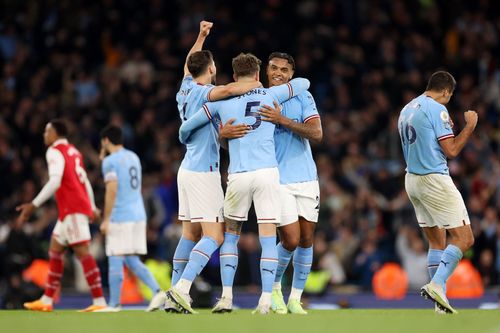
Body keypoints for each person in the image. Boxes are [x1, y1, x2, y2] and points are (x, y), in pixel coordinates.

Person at [177, 53, 310, 314]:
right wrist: (266, 89)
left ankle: (225, 297)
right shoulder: (272, 96)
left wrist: (219, 133)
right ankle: (264, 300)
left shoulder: (222, 101)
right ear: (258, 75)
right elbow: (304, 83)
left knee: (230, 235)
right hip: (267, 175)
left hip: (238, 175)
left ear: (235, 76)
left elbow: (184, 131)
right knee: (268, 237)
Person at [167, 21, 260, 313]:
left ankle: (172, 292)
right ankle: (182, 290)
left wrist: (201, 36)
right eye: (213, 64)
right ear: (209, 69)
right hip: (203, 173)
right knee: (215, 236)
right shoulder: (203, 92)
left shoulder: (184, 87)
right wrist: (256, 83)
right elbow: (231, 90)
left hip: (186, 170)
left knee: (190, 234)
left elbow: (188, 63)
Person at [398, 71, 477, 314]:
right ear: (445, 91)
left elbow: (423, 140)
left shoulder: (407, 109)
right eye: (449, 97)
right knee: (465, 239)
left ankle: (438, 304)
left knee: (436, 240)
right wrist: (470, 126)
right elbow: (451, 150)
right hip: (434, 179)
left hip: (412, 180)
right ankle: (437, 283)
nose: (448, 101)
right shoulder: (436, 108)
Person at [254, 52, 322, 315]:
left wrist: (281, 119)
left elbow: (317, 133)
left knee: (306, 239)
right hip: (277, 179)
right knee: (291, 240)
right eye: (274, 68)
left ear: (291, 74)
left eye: (284, 69)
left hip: (306, 177)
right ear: (266, 71)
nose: (279, 73)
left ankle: (295, 298)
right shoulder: (256, 99)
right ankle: (273, 290)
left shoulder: (302, 96)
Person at [17, 119, 107, 312]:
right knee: (55, 250)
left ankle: (99, 301)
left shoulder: (54, 151)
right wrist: (91, 206)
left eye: (47, 131)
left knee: (83, 253)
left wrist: (33, 204)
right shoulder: (74, 151)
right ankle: (47, 300)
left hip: (73, 209)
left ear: (56, 134)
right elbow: (84, 180)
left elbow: (56, 181)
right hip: (69, 211)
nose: (44, 135)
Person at [95, 125, 164, 312]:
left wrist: (106, 219)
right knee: (132, 259)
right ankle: (158, 291)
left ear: (106, 141)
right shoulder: (133, 157)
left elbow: (111, 189)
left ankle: (114, 303)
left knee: (115, 257)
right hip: (138, 215)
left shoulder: (109, 162)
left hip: (121, 215)